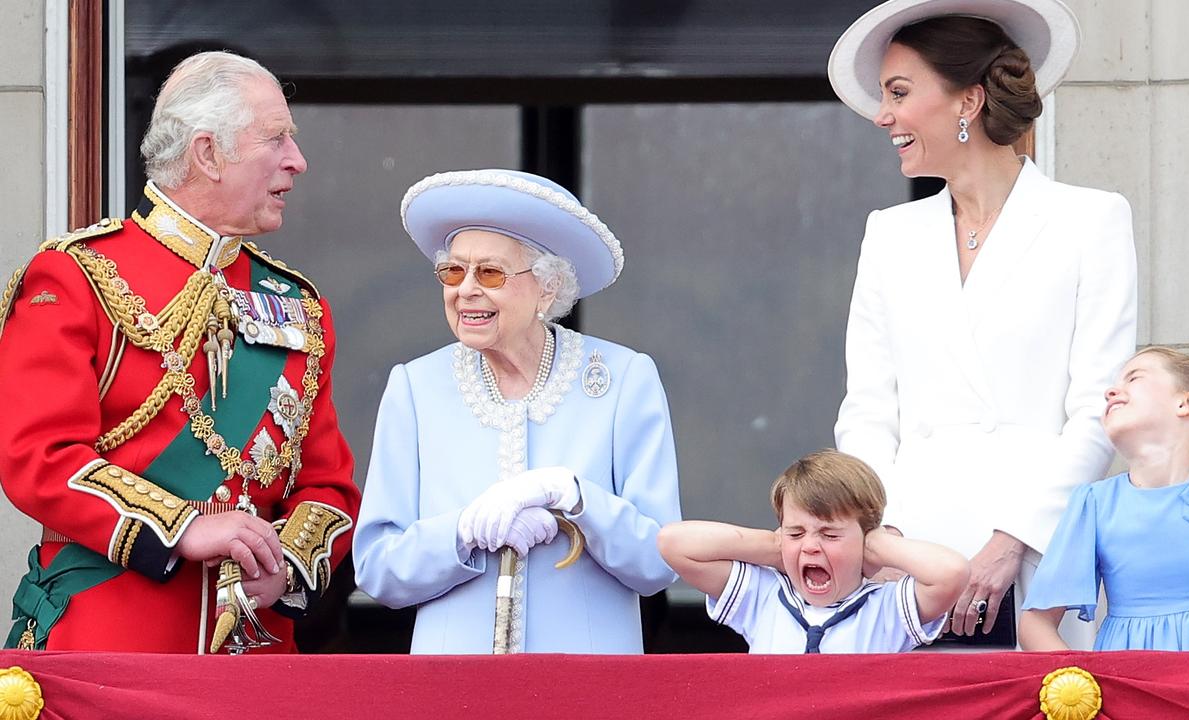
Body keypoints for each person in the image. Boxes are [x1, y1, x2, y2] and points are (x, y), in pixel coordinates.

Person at [0, 51, 361, 653]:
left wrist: (286, 566)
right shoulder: (77, 276)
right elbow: (39, 457)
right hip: (112, 647)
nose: (297, 161)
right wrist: (183, 526)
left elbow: (330, 486)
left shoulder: (298, 304)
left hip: (255, 657)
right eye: (276, 139)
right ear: (206, 153)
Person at [827, 0, 1137, 647]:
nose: (882, 115)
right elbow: (867, 411)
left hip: (1034, 555)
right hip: (908, 559)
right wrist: (879, 537)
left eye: (899, 93)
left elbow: (1094, 411)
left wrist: (1011, 541)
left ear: (966, 101)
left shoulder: (1090, 221)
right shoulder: (889, 234)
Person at [352, 169, 681, 654]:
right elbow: (378, 570)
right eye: (452, 272)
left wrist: (574, 497)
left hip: (586, 687)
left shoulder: (623, 379)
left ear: (547, 288)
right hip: (452, 690)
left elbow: (658, 563)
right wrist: (461, 531)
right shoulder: (415, 387)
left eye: (489, 273)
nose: (465, 289)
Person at [1021, 348, 1189, 651]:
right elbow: (1035, 623)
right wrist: (1083, 688)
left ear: (1187, 402)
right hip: (1128, 689)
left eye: (1134, 378)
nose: (1111, 392)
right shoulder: (1094, 502)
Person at [658, 449, 967, 653]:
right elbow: (673, 543)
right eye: (796, 532)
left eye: (830, 534)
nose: (810, 546)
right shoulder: (763, 597)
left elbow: (952, 573)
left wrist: (877, 545)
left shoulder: (885, 610)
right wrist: (773, 546)